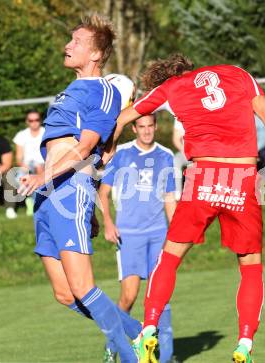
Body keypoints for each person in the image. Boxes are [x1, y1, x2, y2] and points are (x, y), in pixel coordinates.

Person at [105, 53, 265, 363]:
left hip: (204, 175)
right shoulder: (237, 73)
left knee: (168, 258)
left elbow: (123, 118)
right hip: (242, 177)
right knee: (250, 267)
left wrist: (109, 149)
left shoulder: (172, 86)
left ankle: (149, 329)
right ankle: (244, 344)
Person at [17, 15, 140, 363]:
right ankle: (140, 332)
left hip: (69, 189)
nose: (67, 46)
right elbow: (60, 147)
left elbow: (85, 148)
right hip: (48, 193)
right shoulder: (67, 91)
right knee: (64, 293)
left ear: (97, 54)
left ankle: (135, 357)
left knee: (84, 287)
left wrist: (47, 178)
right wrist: (43, 179)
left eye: (77, 41)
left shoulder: (104, 90)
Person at [98, 114, 177, 363]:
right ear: (133, 128)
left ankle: (165, 355)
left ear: (156, 127)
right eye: (141, 127)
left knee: (160, 295)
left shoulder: (165, 155)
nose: (146, 131)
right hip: (128, 235)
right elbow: (104, 191)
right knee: (129, 296)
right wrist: (108, 222)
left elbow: (169, 198)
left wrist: (176, 234)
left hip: (158, 235)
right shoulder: (121, 154)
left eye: (150, 126)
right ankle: (113, 345)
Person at [13, 110, 45, 215]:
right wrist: (24, 166)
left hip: (45, 165)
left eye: (36, 120)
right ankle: (32, 201)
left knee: (40, 173)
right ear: (27, 122)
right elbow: (18, 157)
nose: (34, 122)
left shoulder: (46, 133)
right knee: (21, 177)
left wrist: (43, 166)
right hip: (26, 166)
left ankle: (35, 202)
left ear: (40, 121)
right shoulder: (21, 135)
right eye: (31, 120)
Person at [172, 119, 190, 199]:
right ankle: (177, 192)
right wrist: (186, 152)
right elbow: (176, 139)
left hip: (202, 154)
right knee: (176, 160)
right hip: (185, 153)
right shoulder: (180, 117)